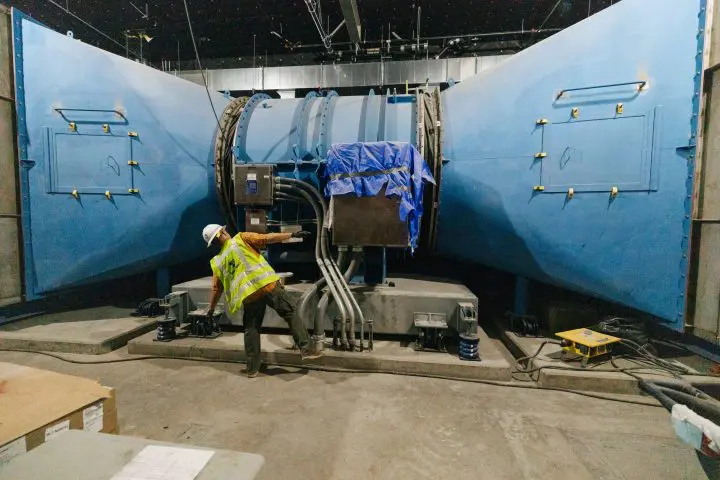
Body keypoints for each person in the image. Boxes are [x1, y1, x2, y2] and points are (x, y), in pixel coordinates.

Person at [202, 224, 321, 377]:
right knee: (290, 311)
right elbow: (266, 238)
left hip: (248, 295)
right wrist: (292, 235)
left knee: (251, 328)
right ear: (221, 233)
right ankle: (307, 348)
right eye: (224, 230)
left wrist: (210, 309)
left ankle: (252, 368)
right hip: (266, 286)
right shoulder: (240, 238)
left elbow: (216, 289)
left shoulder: (217, 261)